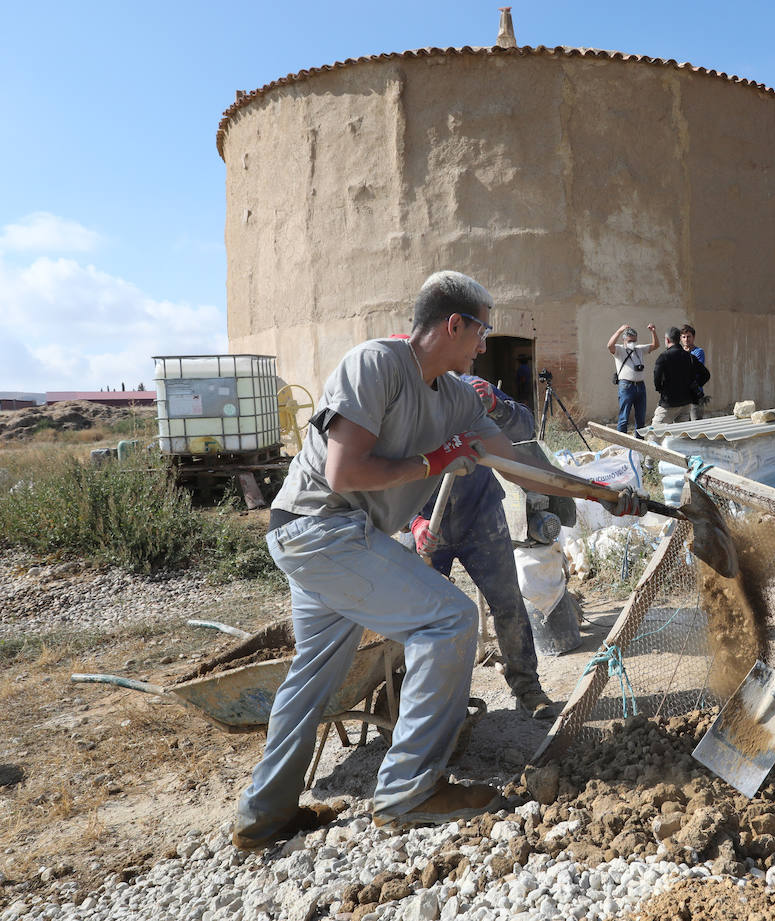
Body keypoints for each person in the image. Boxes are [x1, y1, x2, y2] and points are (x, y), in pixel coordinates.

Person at [231, 270, 647, 849]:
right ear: (454, 324)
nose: (484, 345)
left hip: (339, 538)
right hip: (318, 528)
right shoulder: (374, 365)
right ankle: (407, 791)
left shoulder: (454, 396)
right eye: (481, 332)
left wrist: (602, 492)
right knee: (450, 619)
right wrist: (434, 462)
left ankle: (262, 815)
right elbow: (343, 471)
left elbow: (525, 465)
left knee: (312, 678)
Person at [408, 373, 560, 721]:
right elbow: (384, 472)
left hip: (481, 514)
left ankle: (526, 687)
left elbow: (525, 429)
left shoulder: (470, 387)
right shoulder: (403, 398)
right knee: (421, 616)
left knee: (507, 602)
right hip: (427, 521)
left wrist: (496, 406)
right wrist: (414, 523)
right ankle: (428, 701)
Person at [651, 326, 711, 425]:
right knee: (682, 435)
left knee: (653, 435)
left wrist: (662, 390)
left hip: (669, 403)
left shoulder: (664, 357)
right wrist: (693, 386)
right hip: (686, 403)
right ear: (680, 339)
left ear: (667, 340)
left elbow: (656, 379)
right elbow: (706, 375)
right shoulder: (690, 356)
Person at [607, 323, 658, 433]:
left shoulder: (639, 349)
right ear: (624, 340)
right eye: (630, 341)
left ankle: (638, 443)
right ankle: (621, 445)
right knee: (624, 418)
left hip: (640, 386)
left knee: (640, 419)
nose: (632, 343)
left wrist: (653, 331)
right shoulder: (619, 350)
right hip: (626, 386)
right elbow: (610, 346)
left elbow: (655, 346)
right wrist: (619, 331)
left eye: (634, 341)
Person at [680, 323, 708, 420]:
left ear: (693, 337)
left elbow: (695, 371)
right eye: (684, 337)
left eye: (689, 337)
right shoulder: (678, 352)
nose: (686, 339)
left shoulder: (698, 352)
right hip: (681, 396)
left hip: (695, 395)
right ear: (680, 338)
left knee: (696, 425)